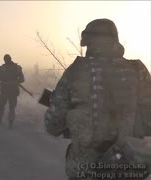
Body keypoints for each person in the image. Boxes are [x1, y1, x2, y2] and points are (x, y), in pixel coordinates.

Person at [44, 18, 151, 180]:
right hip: (130, 167)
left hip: (88, 169)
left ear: (88, 40)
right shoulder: (138, 69)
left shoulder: (76, 71)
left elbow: (52, 126)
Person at [0, 54, 24, 129]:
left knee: (2, 106)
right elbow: (22, 79)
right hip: (13, 90)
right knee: (11, 107)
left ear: (5, 60)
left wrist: (6, 81)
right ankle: (9, 123)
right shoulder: (17, 68)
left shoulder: (2, 68)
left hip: (5, 90)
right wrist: (15, 81)